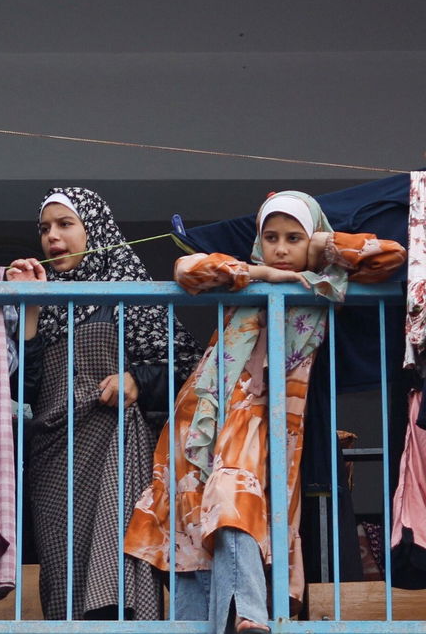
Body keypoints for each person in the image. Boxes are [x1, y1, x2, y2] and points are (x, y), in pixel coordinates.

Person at [124, 191, 406, 634]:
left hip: (267, 415)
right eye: (270, 237)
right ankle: (212, 621)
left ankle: (249, 615)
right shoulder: (249, 278)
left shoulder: (323, 280)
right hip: (205, 412)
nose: (280, 247)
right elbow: (187, 269)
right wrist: (261, 273)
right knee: (192, 527)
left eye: (293, 237)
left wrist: (321, 247)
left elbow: (389, 256)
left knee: (234, 500)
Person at [7, 186, 201, 620]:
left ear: (94, 230)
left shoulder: (128, 291)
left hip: (114, 451)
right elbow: (23, 393)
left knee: (117, 588)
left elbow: (192, 371)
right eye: (44, 229)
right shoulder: (37, 300)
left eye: (65, 225)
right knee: (64, 592)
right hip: (53, 466)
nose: (52, 237)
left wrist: (139, 380)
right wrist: (32, 311)